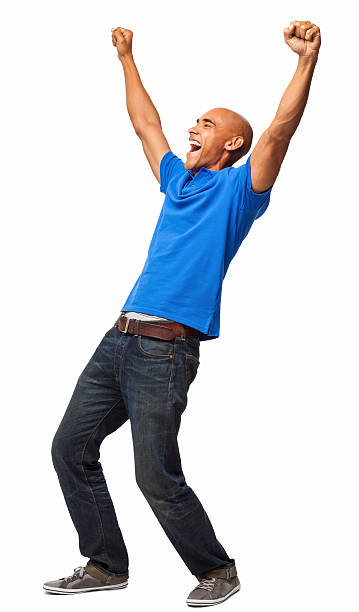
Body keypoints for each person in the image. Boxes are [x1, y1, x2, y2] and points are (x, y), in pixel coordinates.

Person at [43, 19, 321, 606]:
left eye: (207, 124)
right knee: (70, 447)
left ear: (232, 146)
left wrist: (304, 63)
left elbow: (279, 132)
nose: (193, 128)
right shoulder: (177, 181)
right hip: (117, 338)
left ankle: (217, 570)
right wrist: (126, 57)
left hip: (165, 350)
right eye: (195, 121)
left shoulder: (241, 191)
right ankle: (105, 563)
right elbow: (146, 123)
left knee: (155, 475)